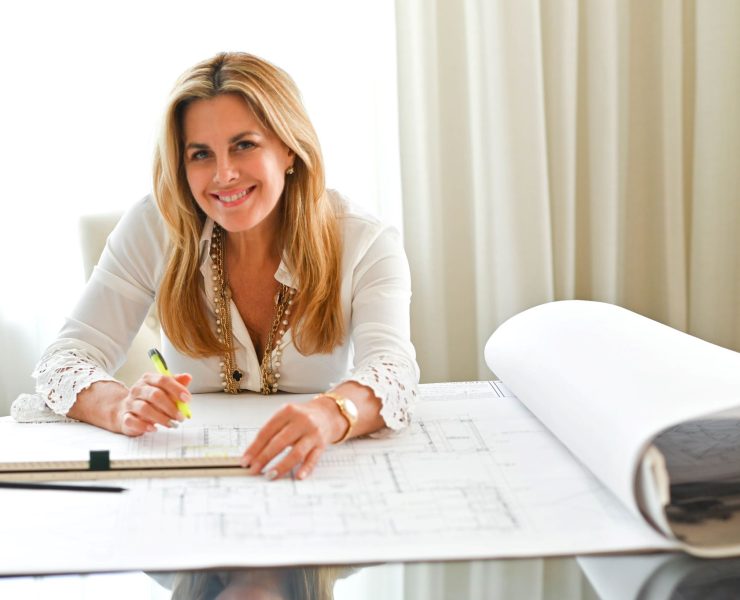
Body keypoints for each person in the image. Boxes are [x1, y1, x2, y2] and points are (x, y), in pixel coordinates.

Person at [29, 52, 419, 480]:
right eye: (200, 154)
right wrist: (119, 403)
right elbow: (63, 360)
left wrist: (331, 414)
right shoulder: (152, 227)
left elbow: (393, 370)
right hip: (192, 473)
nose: (224, 174)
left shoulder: (365, 241)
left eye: (244, 145)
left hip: (314, 471)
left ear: (290, 149)